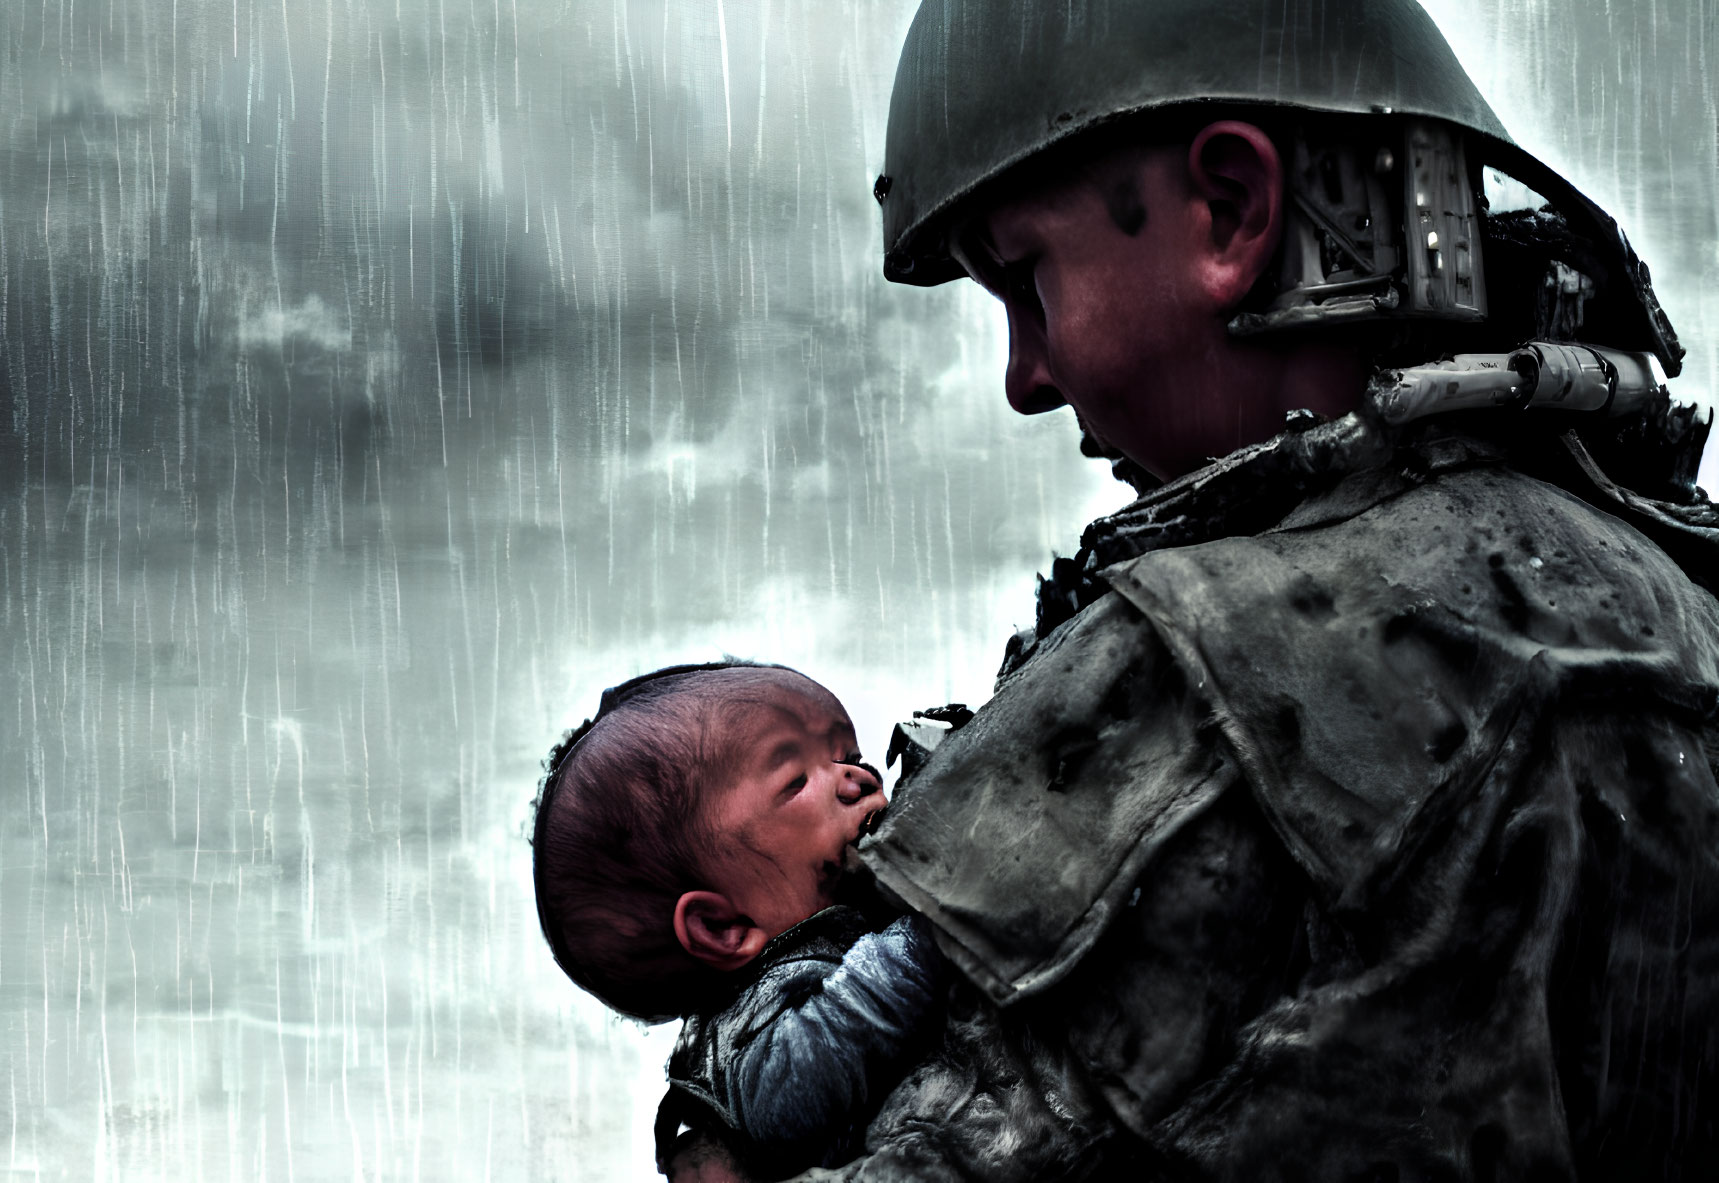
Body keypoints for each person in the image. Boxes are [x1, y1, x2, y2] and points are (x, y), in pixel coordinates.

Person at [663, 0, 1719, 1179]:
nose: (1024, 375)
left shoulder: (1208, 667)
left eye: (1024, 279)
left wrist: (715, 1128)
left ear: (1232, 208)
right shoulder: (1672, 589)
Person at [529, 662, 945, 1179]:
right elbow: (792, 1095)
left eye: (847, 757)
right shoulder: (748, 1023)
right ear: (721, 927)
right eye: (796, 781)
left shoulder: (846, 908)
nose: (859, 777)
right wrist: (932, 931)